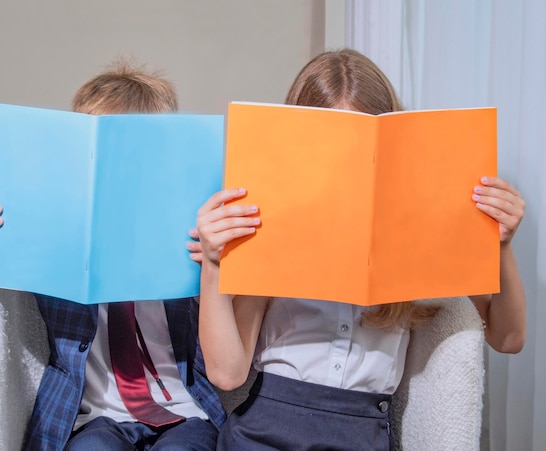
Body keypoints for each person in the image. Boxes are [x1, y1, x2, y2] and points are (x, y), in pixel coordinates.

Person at [191, 48, 527, 450]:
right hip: (263, 430)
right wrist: (213, 266)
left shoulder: (419, 231)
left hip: (362, 433)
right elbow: (227, 374)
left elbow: (508, 338)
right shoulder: (271, 231)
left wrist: (501, 245)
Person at [0, 60, 225, 450]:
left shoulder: (191, 222)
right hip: (89, 415)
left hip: (183, 411)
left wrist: (214, 267)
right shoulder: (49, 220)